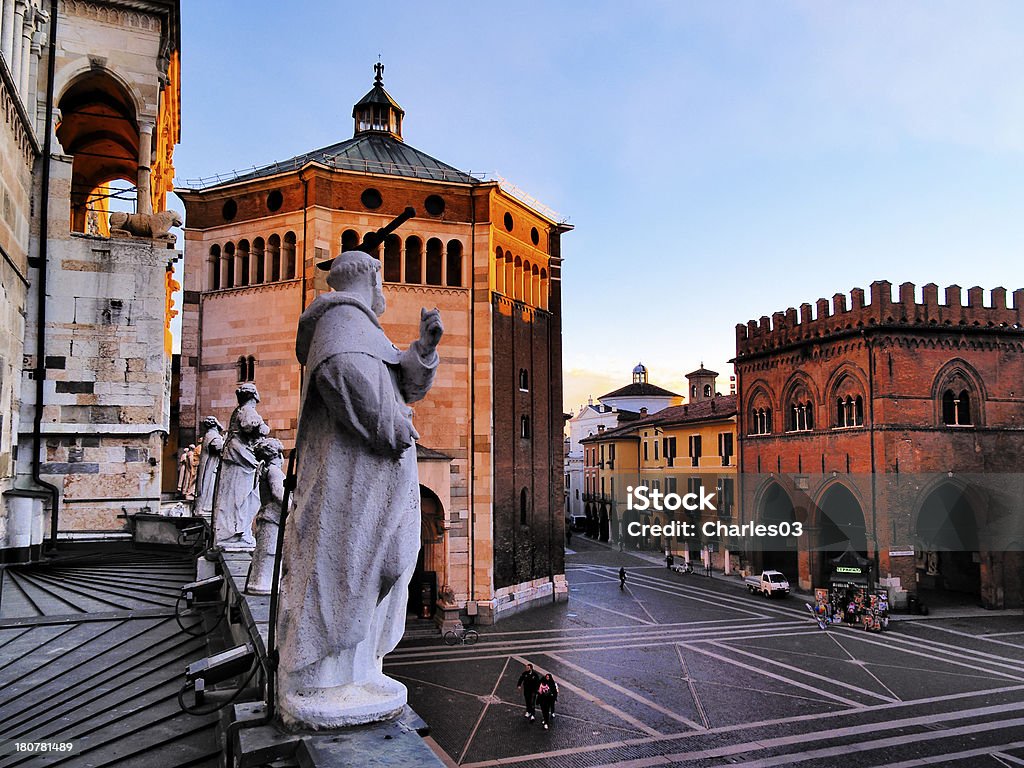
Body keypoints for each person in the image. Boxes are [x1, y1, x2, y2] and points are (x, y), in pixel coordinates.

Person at [276, 249, 442, 729]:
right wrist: (391, 426)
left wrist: (424, 350)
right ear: (369, 279)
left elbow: (398, 382)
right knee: (348, 566)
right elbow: (341, 375)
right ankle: (326, 679)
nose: (385, 288)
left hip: (375, 478)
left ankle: (362, 669)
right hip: (350, 483)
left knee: (382, 565)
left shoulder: (359, 324)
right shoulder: (338, 323)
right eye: (381, 278)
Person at [212, 384, 269, 549]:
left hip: (237, 455)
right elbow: (248, 425)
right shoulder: (247, 410)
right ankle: (236, 532)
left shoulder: (239, 410)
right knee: (242, 497)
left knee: (236, 495)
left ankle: (236, 531)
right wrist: (263, 428)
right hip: (241, 457)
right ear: (255, 396)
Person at [194, 416, 225, 515]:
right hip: (211, 465)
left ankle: (208, 507)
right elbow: (218, 447)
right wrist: (226, 442)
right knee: (210, 485)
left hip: (214, 464)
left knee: (212, 485)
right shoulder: (212, 435)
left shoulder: (211, 434)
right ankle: (206, 507)